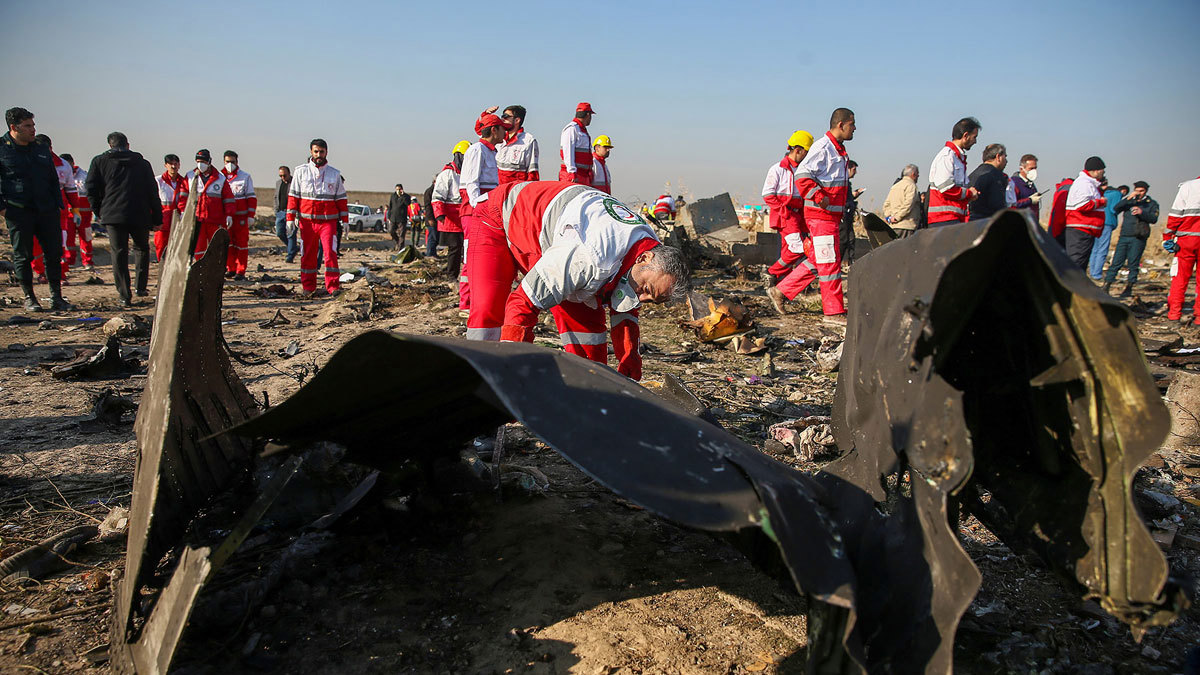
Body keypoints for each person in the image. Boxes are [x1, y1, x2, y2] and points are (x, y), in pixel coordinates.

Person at [464, 181, 689, 381]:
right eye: (646, 289)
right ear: (643, 258)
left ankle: (588, 397)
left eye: (652, 300)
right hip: (499, 216)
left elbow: (626, 308)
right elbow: (523, 303)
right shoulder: (589, 257)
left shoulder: (651, 249)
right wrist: (511, 371)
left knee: (589, 341)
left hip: (555, 234)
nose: (641, 298)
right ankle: (477, 381)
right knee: (488, 311)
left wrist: (630, 362)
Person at [0, 107, 72, 311]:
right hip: (18, 211)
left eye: (33, 125)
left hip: (47, 210)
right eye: (27, 126)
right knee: (23, 255)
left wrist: (58, 205)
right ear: (14, 127)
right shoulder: (2, 149)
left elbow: (51, 178)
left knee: (53, 253)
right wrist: (3, 210)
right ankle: (30, 298)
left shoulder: (40, 148)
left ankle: (56, 297)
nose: (33, 130)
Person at [794, 107, 856, 321]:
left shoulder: (836, 149)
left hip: (829, 216)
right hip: (821, 215)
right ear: (841, 125)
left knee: (819, 260)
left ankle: (781, 291)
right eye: (852, 124)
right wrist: (819, 197)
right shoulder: (824, 147)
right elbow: (801, 176)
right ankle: (833, 311)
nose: (854, 129)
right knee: (829, 263)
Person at [85, 132, 159, 307]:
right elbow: (152, 192)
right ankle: (140, 287)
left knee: (119, 253)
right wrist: (156, 217)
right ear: (128, 144)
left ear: (110, 145)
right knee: (142, 249)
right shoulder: (142, 163)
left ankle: (124, 295)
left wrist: (99, 211)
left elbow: (91, 189)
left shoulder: (99, 162)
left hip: (113, 214)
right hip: (139, 213)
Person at [459, 109, 511, 312]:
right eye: (502, 129)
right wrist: (479, 209)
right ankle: (466, 304)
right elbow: (471, 185)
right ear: (494, 130)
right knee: (470, 257)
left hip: (484, 212)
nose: (505, 133)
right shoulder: (477, 150)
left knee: (480, 257)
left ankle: (476, 302)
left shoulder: (489, 151)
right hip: (474, 214)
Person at [762, 130, 817, 315]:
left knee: (790, 251)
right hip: (786, 215)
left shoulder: (803, 170)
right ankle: (772, 273)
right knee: (799, 249)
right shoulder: (777, 169)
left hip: (800, 215)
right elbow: (768, 194)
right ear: (799, 150)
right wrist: (784, 211)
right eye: (807, 152)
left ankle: (778, 285)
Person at [286, 139, 348, 297]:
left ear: (326, 152)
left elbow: (341, 199)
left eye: (321, 152)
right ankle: (308, 286)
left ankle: (333, 286)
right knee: (307, 255)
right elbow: (293, 196)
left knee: (330, 254)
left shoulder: (335, 174)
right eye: (316, 151)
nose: (318, 155)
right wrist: (290, 217)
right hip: (307, 223)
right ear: (311, 152)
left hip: (328, 222)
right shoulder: (300, 172)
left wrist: (345, 220)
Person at [1103, 181, 1158, 297]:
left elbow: (1153, 219)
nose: (1139, 193)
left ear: (1146, 191)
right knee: (1116, 262)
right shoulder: (1130, 202)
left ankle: (1129, 287)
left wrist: (1142, 212)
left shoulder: (1151, 203)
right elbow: (1115, 209)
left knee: (1133, 263)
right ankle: (1106, 285)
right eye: (1137, 190)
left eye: (1141, 191)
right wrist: (1127, 199)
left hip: (1138, 237)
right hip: (1125, 235)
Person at [928, 117, 981, 226]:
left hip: (954, 218)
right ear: (965, 136)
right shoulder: (947, 156)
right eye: (974, 137)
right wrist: (969, 193)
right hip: (944, 220)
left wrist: (969, 196)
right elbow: (946, 187)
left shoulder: (957, 158)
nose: (975, 141)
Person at [184, 149, 235, 261]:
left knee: (216, 246)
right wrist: (183, 212)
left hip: (215, 220)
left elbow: (228, 198)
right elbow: (183, 197)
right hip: (197, 220)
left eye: (203, 161)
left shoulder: (220, 178)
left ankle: (216, 269)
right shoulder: (190, 177)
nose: (200, 164)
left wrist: (229, 214)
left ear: (209, 161)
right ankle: (199, 268)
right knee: (199, 247)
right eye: (198, 161)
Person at [1164, 176, 1200, 323]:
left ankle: (1174, 316)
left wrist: (1168, 237)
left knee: (1180, 279)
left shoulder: (1188, 187)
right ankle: (1199, 319)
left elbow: (1175, 215)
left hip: (1186, 241)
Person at [1063, 157, 1109, 270]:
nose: (1103, 173)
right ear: (1096, 170)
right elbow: (1081, 205)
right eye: (1103, 170)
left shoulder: (1090, 183)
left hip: (1085, 230)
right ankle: (1073, 286)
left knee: (1080, 263)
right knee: (1076, 264)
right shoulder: (1084, 184)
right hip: (1080, 231)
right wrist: (1101, 202)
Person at [432, 141, 469, 282]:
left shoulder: (465, 174)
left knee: (464, 248)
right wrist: (439, 214)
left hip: (464, 217)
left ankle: (463, 274)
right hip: (452, 218)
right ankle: (451, 275)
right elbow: (437, 196)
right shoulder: (447, 174)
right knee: (455, 248)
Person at [219, 151, 255, 280]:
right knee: (227, 244)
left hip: (241, 218)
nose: (230, 164)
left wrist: (251, 215)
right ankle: (230, 268)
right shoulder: (219, 177)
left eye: (232, 162)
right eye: (227, 162)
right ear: (224, 162)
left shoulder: (245, 177)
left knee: (241, 244)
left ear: (237, 162)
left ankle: (241, 270)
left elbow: (251, 197)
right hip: (225, 218)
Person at [60, 153, 95, 272]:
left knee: (86, 238)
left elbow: (91, 194)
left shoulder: (84, 176)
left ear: (72, 163)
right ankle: (70, 261)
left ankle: (88, 261)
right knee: (68, 239)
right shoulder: (61, 175)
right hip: (68, 215)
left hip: (84, 216)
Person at [1089, 183, 1128, 279]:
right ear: (1123, 191)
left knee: (1095, 248)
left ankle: (1092, 272)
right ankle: (1097, 274)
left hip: (1097, 222)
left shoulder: (1104, 193)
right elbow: (1114, 209)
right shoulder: (1117, 194)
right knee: (1102, 249)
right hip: (1108, 223)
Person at [153, 154, 187, 262]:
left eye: (175, 164)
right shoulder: (158, 181)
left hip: (178, 220)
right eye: (170, 164)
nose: (173, 166)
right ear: (165, 165)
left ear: (179, 165)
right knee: (161, 246)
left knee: (178, 247)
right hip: (162, 221)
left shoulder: (184, 182)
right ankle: (162, 268)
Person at [496, 105, 539, 184]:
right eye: (502, 116)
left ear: (517, 120)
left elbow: (532, 173)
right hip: (497, 190)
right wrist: (485, 114)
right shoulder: (498, 137)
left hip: (515, 191)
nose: (502, 119)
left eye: (506, 117)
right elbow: (482, 132)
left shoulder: (529, 140)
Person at [967, 143, 1009, 221]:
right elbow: (998, 205)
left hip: (971, 221)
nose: (1006, 161)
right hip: (988, 222)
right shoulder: (996, 176)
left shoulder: (972, 175)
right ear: (998, 157)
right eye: (1005, 157)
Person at [559, 102, 595, 184]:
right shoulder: (572, 129)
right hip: (572, 175)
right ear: (588, 115)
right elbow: (568, 152)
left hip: (582, 175)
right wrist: (572, 171)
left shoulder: (581, 130)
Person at [883, 164, 921, 237]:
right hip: (907, 225)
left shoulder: (895, 186)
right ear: (913, 174)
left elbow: (886, 204)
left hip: (894, 226)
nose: (918, 177)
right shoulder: (911, 186)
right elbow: (908, 204)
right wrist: (897, 217)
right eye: (917, 175)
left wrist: (890, 217)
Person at [839, 160, 863, 265]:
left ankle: (851, 263)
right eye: (854, 169)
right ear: (848, 169)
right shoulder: (841, 182)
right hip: (843, 216)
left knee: (851, 240)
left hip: (848, 216)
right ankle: (836, 264)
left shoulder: (847, 183)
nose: (855, 172)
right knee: (843, 240)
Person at [275, 165, 297, 262]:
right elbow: (276, 197)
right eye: (281, 176)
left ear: (289, 174)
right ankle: (292, 248)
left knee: (291, 234)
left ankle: (290, 256)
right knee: (279, 233)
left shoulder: (295, 183)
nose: (283, 178)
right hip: (280, 212)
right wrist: (276, 210)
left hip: (291, 212)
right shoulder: (278, 183)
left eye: (284, 175)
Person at [1010, 154, 1041, 222]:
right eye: (1031, 168)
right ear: (1021, 169)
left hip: (1031, 224)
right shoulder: (1014, 183)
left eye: (1035, 168)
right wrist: (1030, 200)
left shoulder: (1031, 184)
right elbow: (1012, 204)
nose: (1034, 171)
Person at [387, 184, 411, 250]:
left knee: (402, 234)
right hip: (393, 217)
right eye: (397, 189)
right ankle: (397, 241)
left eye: (399, 189)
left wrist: (403, 196)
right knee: (391, 231)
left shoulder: (406, 196)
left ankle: (400, 248)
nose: (398, 191)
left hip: (402, 218)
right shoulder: (393, 196)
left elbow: (408, 204)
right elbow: (390, 206)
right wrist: (389, 216)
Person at [422, 179, 437, 256]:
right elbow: (428, 207)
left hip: (436, 218)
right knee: (432, 237)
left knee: (435, 237)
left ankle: (433, 253)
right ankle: (430, 254)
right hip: (431, 219)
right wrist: (430, 218)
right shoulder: (429, 192)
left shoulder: (437, 191)